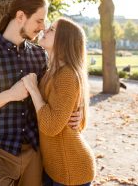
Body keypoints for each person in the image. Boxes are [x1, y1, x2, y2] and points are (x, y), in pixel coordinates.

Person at [0, 0, 81, 186]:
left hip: (34, 152)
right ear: (21, 16)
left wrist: (77, 116)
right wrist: (9, 95)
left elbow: (53, 97)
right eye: (39, 21)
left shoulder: (40, 55)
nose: (42, 27)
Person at [22, 18, 96, 186]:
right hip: (54, 168)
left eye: (52, 30)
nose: (45, 31)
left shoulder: (67, 75)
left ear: (64, 40)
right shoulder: (51, 72)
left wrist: (33, 90)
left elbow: (51, 126)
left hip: (71, 170)